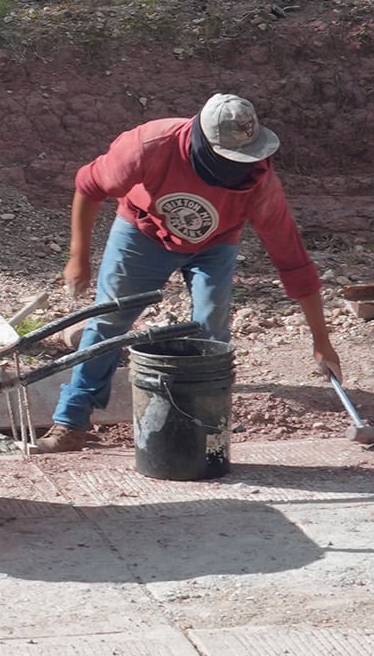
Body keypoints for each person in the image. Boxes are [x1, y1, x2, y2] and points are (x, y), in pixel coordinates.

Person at [31, 92, 342, 454]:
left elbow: (293, 261)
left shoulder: (259, 184)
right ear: (203, 144)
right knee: (108, 321)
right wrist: (78, 256)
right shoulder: (150, 146)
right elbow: (89, 186)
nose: (240, 167)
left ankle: (201, 428)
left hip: (215, 245)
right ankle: (71, 422)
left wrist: (321, 340)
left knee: (212, 332)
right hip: (141, 233)